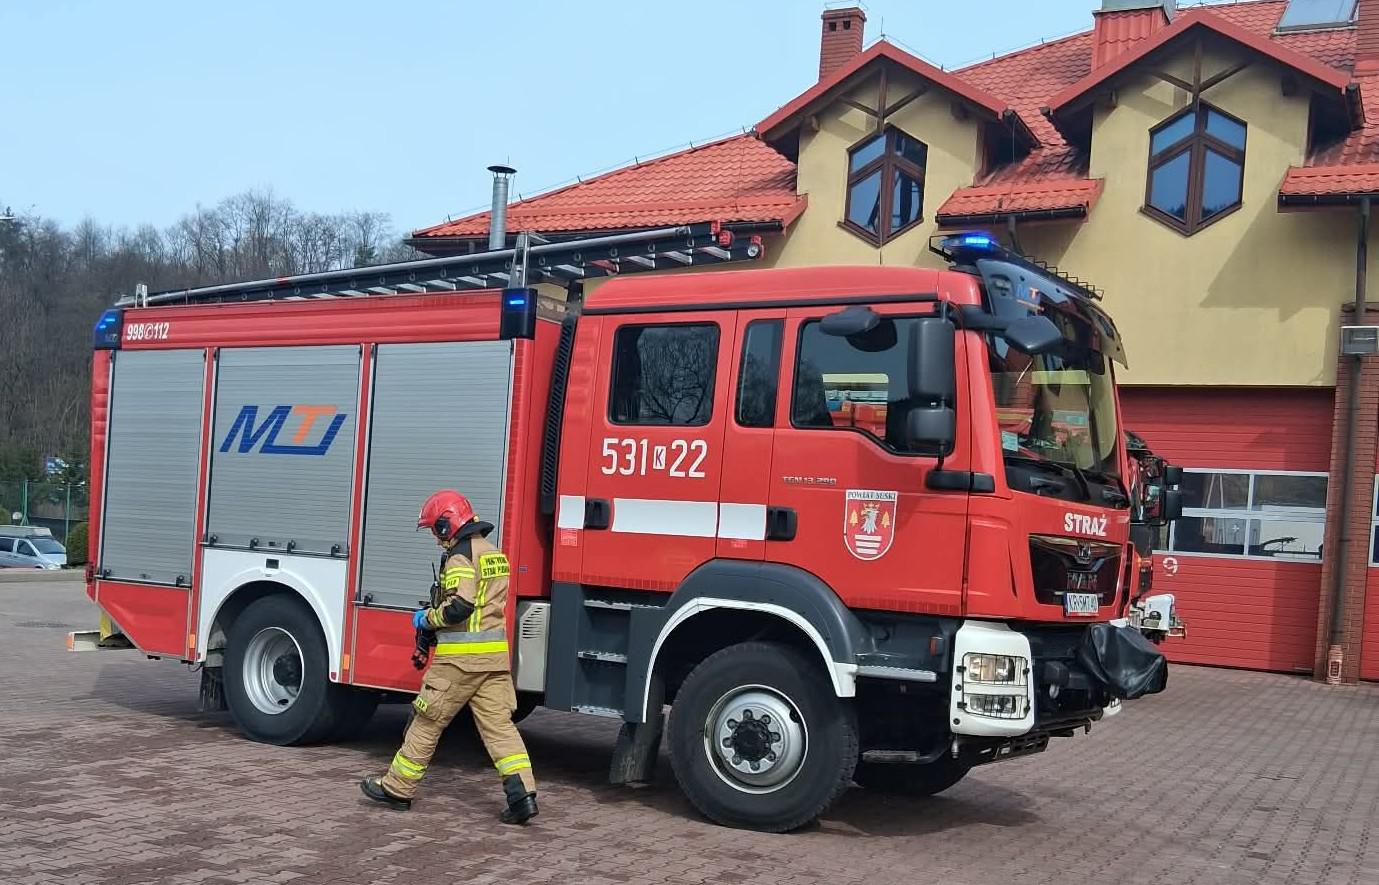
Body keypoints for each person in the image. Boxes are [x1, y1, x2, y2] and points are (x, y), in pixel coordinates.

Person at [360, 489, 538, 824]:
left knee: (427, 721)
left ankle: (398, 788)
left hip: (459, 661)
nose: (435, 537)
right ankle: (523, 796)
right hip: (494, 661)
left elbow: (460, 607)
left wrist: (427, 619)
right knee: (500, 728)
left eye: (435, 529)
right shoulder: (494, 553)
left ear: (447, 524)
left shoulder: (460, 557)